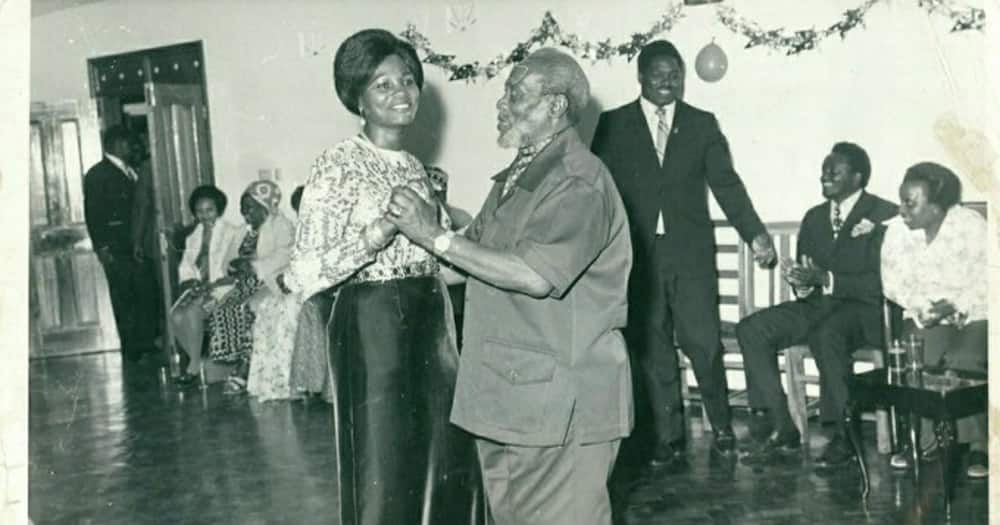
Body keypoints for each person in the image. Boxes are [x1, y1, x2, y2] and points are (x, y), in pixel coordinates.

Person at [388, 48, 632, 525]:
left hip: (561, 407)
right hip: (506, 399)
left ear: (555, 106)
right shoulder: (517, 177)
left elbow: (533, 275)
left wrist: (431, 234)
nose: (502, 103)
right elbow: (467, 263)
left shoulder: (578, 181)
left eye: (516, 93)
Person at [275, 29, 482, 524]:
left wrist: (486, 257)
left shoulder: (416, 168)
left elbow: (440, 261)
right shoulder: (337, 166)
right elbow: (303, 273)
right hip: (373, 329)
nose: (401, 94)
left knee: (447, 460)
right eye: (382, 85)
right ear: (358, 100)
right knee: (385, 471)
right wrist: (378, 231)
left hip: (433, 325)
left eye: (408, 81)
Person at [590, 39, 775, 465]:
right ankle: (669, 437)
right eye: (658, 73)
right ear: (640, 76)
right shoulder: (613, 124)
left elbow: (727, 186)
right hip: (638, 259)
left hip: (690, 257)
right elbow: (595, 190)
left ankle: (722, 426)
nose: (667, 80)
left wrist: (756, 235)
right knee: (653, 350)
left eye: (675, 73)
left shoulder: (702, 124)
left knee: (704, 344)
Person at [736, 142, 897, 467]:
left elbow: (886, 284)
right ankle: (783, 427)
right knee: (751, 329)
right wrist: (802, 282)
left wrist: (826, 279)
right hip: (819, 306)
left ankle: (844, 437)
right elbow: (810, 279)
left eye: (833, 171)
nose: (824, 176)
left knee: (828, 334)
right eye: (823, 171)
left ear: (857, 176)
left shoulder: (885, 215)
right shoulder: (814, 218)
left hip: (865, 310)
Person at [880, 162, 987, 478]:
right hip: (926, 314)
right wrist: (924, 307)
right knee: (918, 359)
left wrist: (955, 305)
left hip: (976, 311)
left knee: (964, 358)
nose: (901, 210)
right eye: (901, 200)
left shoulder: (971, 226)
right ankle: (924, 441)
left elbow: (987, 279)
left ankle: (980, 444)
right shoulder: (897, 231)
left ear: (938, 207)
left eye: (910, 203)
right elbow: (892, 284)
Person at [207, 180, 295, 394]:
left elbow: (285, 255)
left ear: (265, 207)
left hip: (270, 281)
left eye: (250, 208)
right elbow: (228, 259)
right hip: (244, 282)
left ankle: (244, 369)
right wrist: (234, 266)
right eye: (242, 208)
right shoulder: (242, 231)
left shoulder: (281, 225)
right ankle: (235, 362)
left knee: (248, 308)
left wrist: (253, 265)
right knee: (223, 308)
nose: (245, 213)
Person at [83, 125, 160, 362]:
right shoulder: (98, 174)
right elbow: (93, 214)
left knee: (144, 293)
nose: (133, 147)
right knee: (125, 298)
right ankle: (132, 348)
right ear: (116, 144)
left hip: (136, 245)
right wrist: (103, 248)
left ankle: (146, 342)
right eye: (129, 143)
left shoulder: (131, 170)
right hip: (116, 248)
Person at [169, 185, 242, 385]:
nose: (204, 216)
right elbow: (186, 265)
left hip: (222, 288)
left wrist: (211, 286)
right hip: (199, 286)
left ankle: (193, 368)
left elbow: (232, 268)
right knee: (175, 315)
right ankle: (199, 361)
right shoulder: (193, 236)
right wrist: (190, 281)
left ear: (218, 209)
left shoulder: (232, 232)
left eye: (209, 210)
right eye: (200, 211)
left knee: (192, 312)